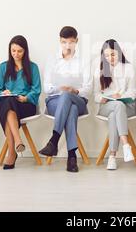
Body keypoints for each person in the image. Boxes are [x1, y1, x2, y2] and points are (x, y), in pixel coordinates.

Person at [39, 26, 92, 172]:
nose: (67, 46)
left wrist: (74, 90)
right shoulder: (52, 60)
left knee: (69, 97)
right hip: (55, 101)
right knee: (70, 108)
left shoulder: (84, 61)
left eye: (71, 42)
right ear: (59, 41)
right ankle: (72, 156)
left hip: (79, 100)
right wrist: (60, 88)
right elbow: (47, 88)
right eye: (64, 42)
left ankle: (54, 140)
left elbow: (88, 89)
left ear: (77, 41)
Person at [0, 35, 41, 170]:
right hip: (7, 103)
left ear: (25, 51)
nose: (16, 54)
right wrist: (3, 93)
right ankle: (17, 141)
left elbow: (36, 90)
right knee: (8, 101)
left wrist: (26, 98)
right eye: (13, 51)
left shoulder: (33, 67)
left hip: (26, 105)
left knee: (9, 106)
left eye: (19, 51)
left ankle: (12, 152)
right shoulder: (3, 67)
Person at [93, 39, 136, 170]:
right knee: (117, 106)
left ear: (119, 53)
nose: (110, 58)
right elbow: (95, 95)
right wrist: (104, 98)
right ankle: (125, 144)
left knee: (116, 112)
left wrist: (121, 96)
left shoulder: (128, 68)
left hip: (127, 107)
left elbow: (133, 92)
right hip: (106, 106)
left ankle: (112, 157)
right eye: (106, 56)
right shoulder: (99, 71)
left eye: (112, 54)